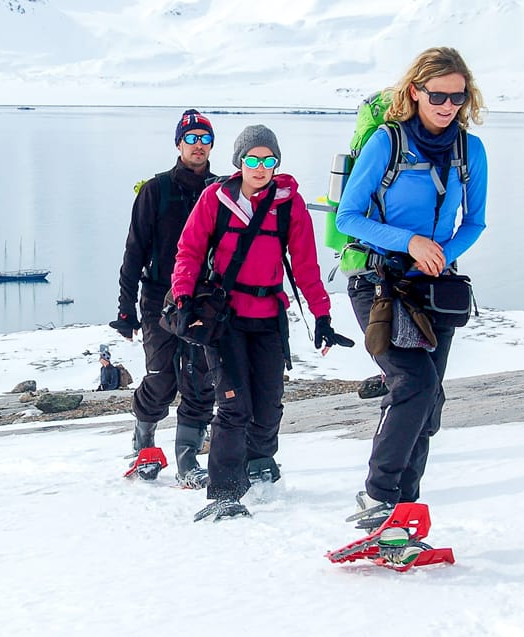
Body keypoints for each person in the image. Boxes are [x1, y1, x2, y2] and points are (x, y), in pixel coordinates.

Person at [335, 46, 487, 548]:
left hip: (433, 286)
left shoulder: (471, 150)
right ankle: (378, 499)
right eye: (438, 95)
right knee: (414, 383)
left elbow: (476, 222)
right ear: (415, 92)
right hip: (377, 282)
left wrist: (440, 252)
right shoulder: (386, 142)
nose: (448, 106)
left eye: (457, 96)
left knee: (430, 403)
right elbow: (347, 218)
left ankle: (402, 515)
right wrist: (411, 243)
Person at [173, 124, 354, 521]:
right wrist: (184, 298)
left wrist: (322, 314)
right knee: (234, 406)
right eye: (253, 159)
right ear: (239, 162)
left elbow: (306, 266)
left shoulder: (290, 204)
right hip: (227, 320)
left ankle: (259, 461)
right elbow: (188, 251)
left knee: (269, 405)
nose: (261, 167)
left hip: (270, 318)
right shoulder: (215, 199)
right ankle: (224, 491)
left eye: (268, 160)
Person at [110, 109, 217, 489]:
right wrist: (126, 310)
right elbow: (134, 251)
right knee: (160, 376)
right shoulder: (155, 190)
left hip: (206, 299)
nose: (199, 145)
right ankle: (144, 445)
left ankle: (188, 458)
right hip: (159, 297)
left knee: (201, 379)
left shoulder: (221, 189)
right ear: (178, 144)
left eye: (205, 138)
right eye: (192, 138)